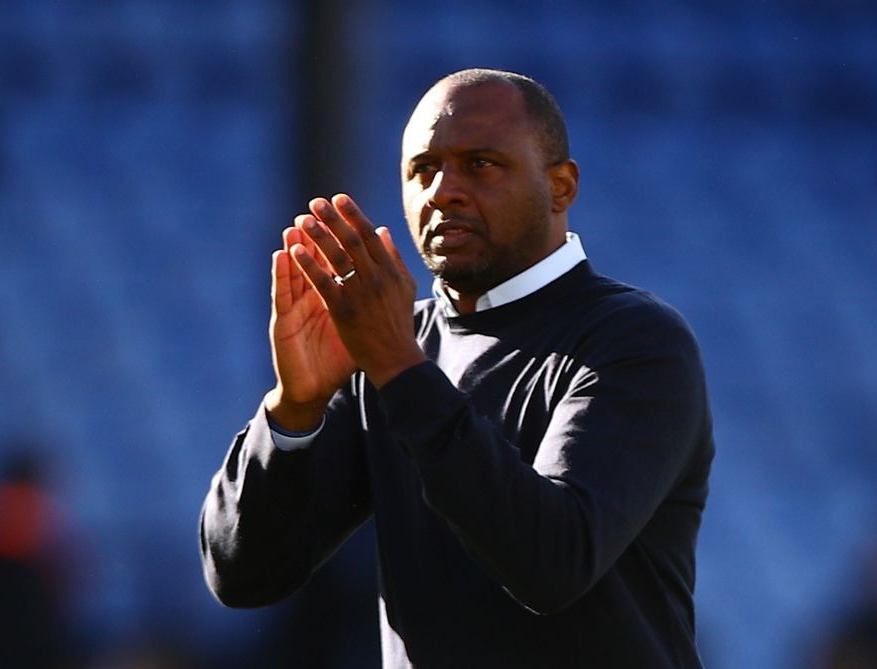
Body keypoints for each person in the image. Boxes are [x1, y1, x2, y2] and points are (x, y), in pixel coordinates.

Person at [200, 68, 715, 668]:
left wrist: (399, 367)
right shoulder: (391, 348)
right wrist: (295, 409)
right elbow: (243, 576)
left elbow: (551, 564)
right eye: (423, 169)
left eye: (480, 164)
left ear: (561, 186)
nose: (443, 191)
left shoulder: (635, 340)